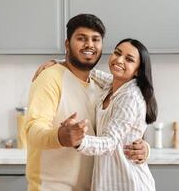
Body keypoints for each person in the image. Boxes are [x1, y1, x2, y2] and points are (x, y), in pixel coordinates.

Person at [26, 14, 150, 191]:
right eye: (81, 38)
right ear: (67, 45)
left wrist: (144, 148)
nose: (89, 45)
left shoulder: (103, 86)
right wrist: (59, 136)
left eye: (95, 39)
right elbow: (32, 130)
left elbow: (120, 130)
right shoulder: (50, 77)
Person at [76, 38, 157, 190]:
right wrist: (59, 63)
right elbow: (91, 72)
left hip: (129, 184)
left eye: (129, 59)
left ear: (138, 70)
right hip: (110, 182)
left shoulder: (130, 97)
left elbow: (110, 143)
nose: (119, 60)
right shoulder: (112, 85)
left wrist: (77, 141)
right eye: (117, 53)